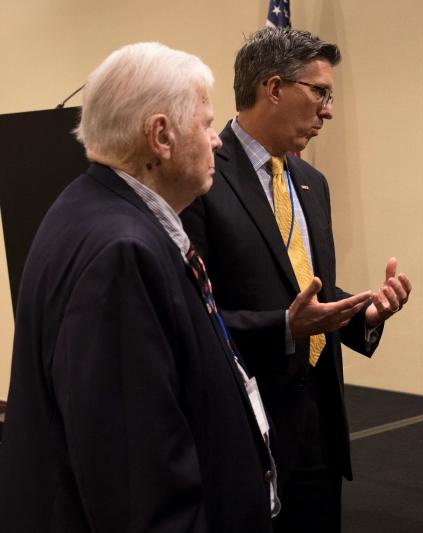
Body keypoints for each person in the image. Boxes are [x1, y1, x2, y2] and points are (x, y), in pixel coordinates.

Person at [0, 42, 277, 532]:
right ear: (161, 136)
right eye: (206, 123)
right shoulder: (120, 253)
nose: (217, 141)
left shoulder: (89, 208)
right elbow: (137, 484)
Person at [180, 27, 411, 533]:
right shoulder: (201, 176)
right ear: (274, 88)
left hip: (318, 430)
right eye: (320, 92)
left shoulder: (311, 182)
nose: (328, 109)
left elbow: (309, 287)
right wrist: (283, 326)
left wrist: (364, 313)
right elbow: (190, 316)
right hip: (244, 430)